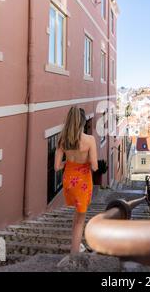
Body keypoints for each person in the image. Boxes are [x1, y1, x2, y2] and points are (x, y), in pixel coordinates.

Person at [55, 106, 98, 254]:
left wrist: (69, 162)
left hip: (68, 181)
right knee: (80, 221)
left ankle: (76, 243)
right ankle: (74, 255)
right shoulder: (89, 140)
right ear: (82, 123)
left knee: (76, 216)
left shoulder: (62, 140)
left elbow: (56, 167)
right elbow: (95, 166)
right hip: (83, 184)